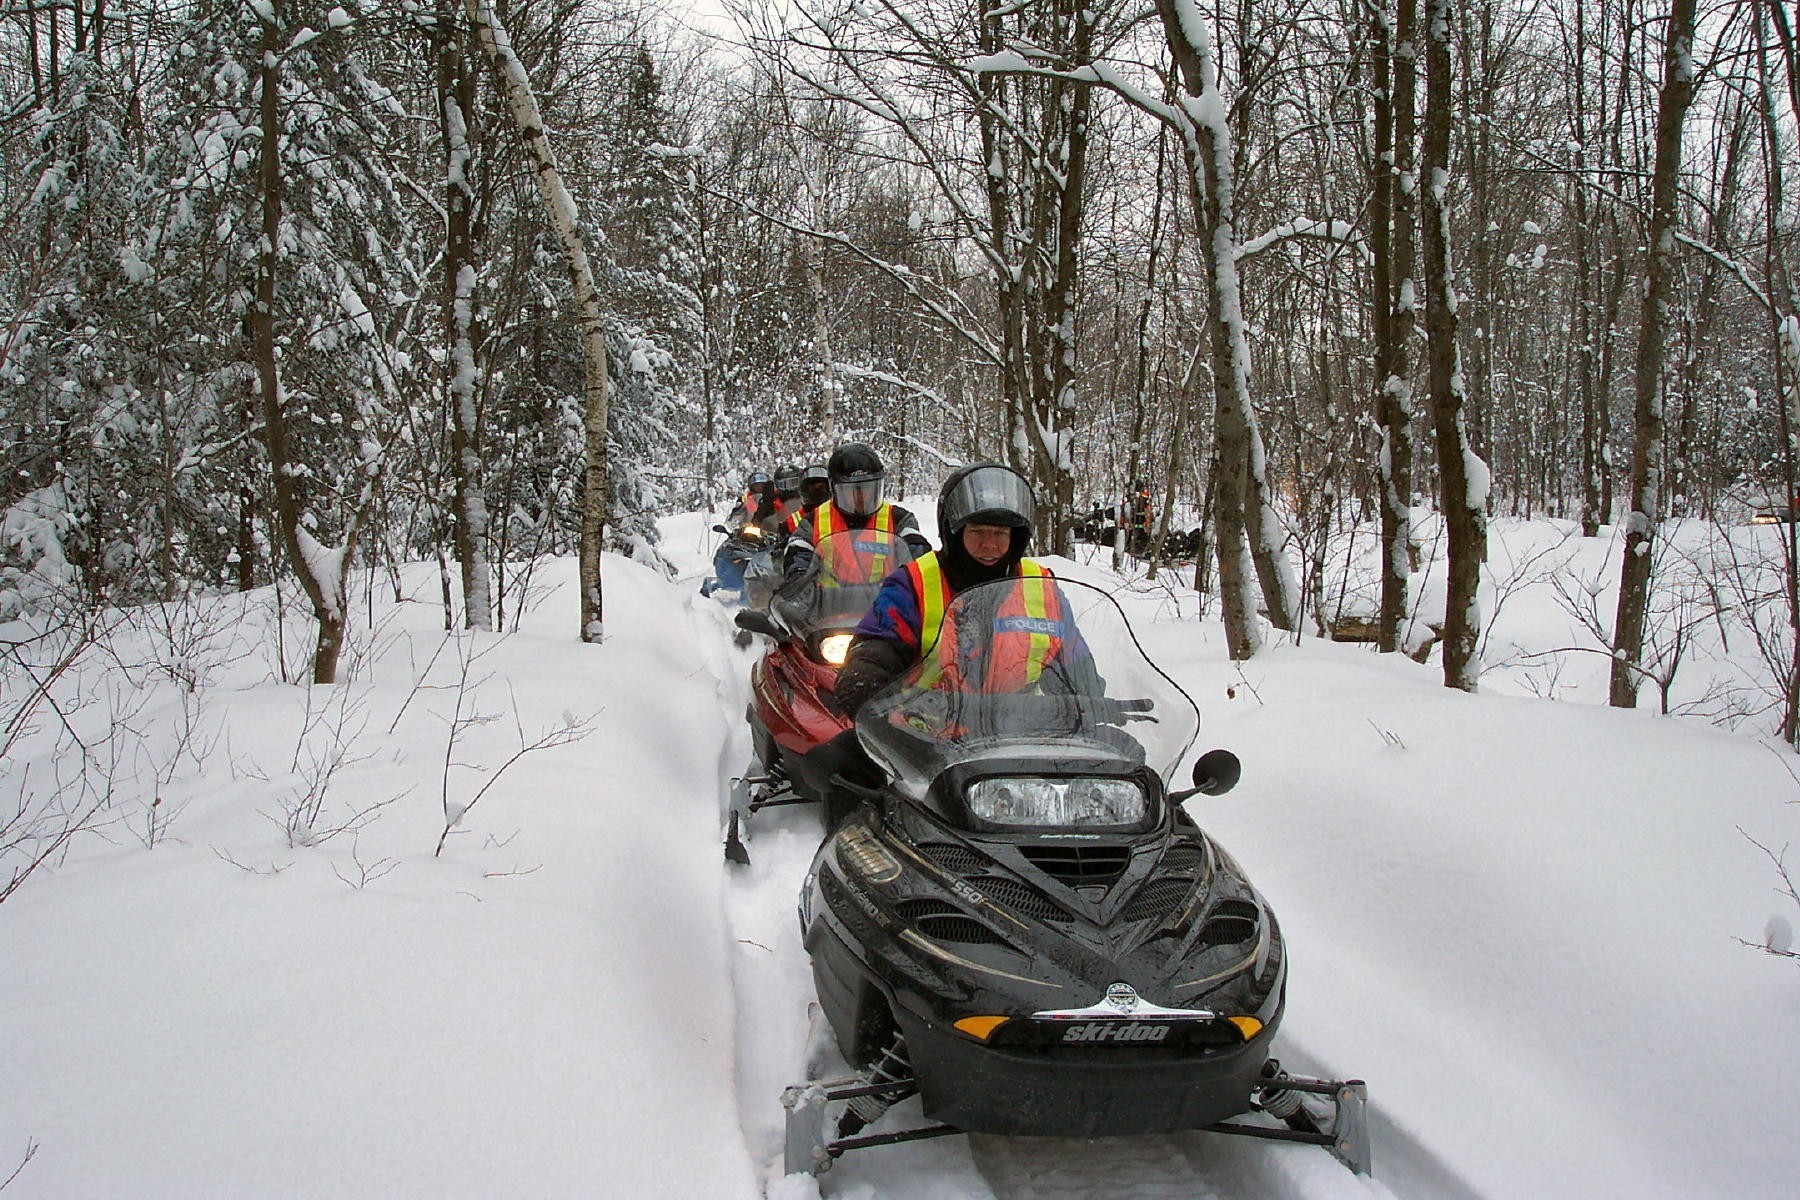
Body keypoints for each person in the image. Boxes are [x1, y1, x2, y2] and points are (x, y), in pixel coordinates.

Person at [833, 461, 1083, 716]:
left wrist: (1086, 705)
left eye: (1000, 534)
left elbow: (1076, 663)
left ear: (1016, 537)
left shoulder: (1041, 586)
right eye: (978, 532)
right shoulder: (914, 583)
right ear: (955, 532)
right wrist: (864, 679)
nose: (990, 544)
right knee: (831, 755)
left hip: (1021, 735)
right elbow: (878, 648)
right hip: (929, 736)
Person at [784, 442, 930, 585]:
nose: (861, 497)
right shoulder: (814, 521)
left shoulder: (898, 519)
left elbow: (916, 548)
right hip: (828, 605)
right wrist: (798, 575)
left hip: (883, 604)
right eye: (852, 490)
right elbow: (798, 549)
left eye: (868, 488)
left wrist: (914, 569)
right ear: (834, 489)